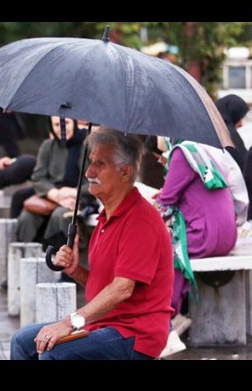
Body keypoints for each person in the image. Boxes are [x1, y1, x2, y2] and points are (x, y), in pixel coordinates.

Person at [11, 127, 174, 360]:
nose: (89, 172)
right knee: (22, 341)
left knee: (53, 355)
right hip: (106, 324)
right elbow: (104, 286)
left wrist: (69, 323)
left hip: (135, 335)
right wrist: (75, 270)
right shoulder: (106, 217)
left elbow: (122, 289)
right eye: (90, 162)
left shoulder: (140, 221)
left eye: (100, 164)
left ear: (125, 172)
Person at [154, 138, 237, 318]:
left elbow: (165, 205)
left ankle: (164, 314)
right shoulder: (197, 151)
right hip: (226, 237)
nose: (155, 137)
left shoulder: (180, 154)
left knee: (159, 249)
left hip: (204, 236)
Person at [15, 116, 90, 246]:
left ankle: (54, 260)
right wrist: (56, 195)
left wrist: (72, 192)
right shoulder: (48, 146)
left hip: (79, 199)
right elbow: (38, 178)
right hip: (51, 196)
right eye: (56, 125)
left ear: (74, 123)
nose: (62, 128)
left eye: (66, 123)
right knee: (27, 217)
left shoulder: (88, 146)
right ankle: (27, 259)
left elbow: (94, 183)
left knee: (60, 215)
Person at [215, 94, 249, 172]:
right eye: (238, 117)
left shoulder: (209, 127)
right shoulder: (228, 133)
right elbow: (244, 163)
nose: (241, 124)